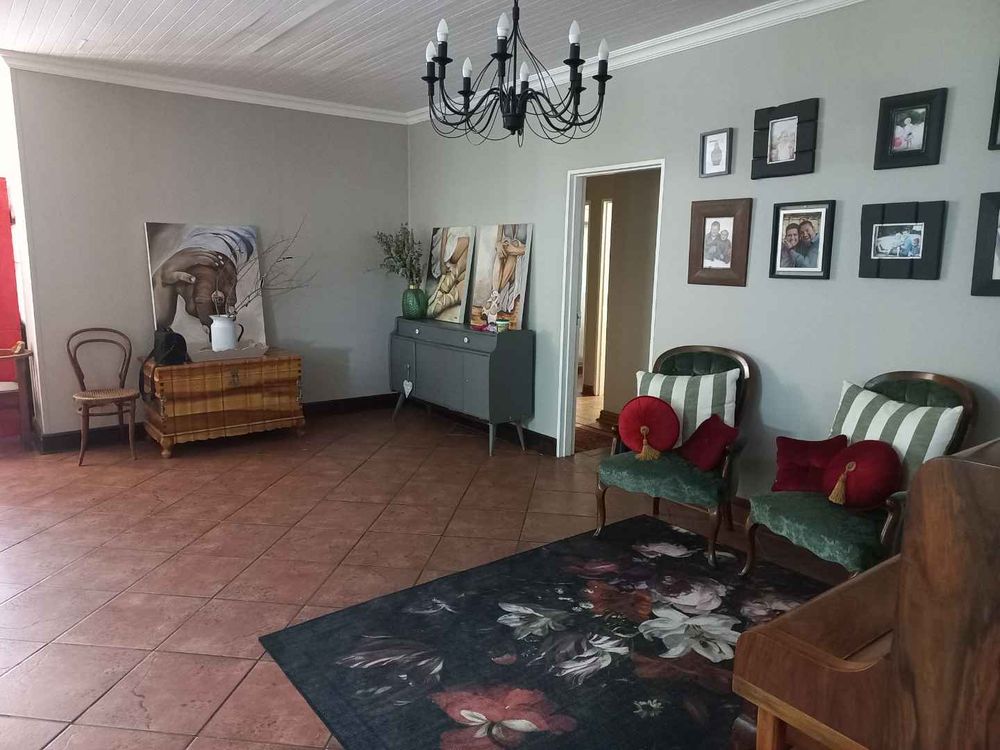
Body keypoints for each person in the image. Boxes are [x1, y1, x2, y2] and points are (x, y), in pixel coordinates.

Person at [426, 231, 470, 318]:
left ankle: (446, 287)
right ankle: (448, 285)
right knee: (470, 242)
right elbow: (444, 233)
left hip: (461, 255)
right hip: (450, 246)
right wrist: (442, 263)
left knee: (467, 275)